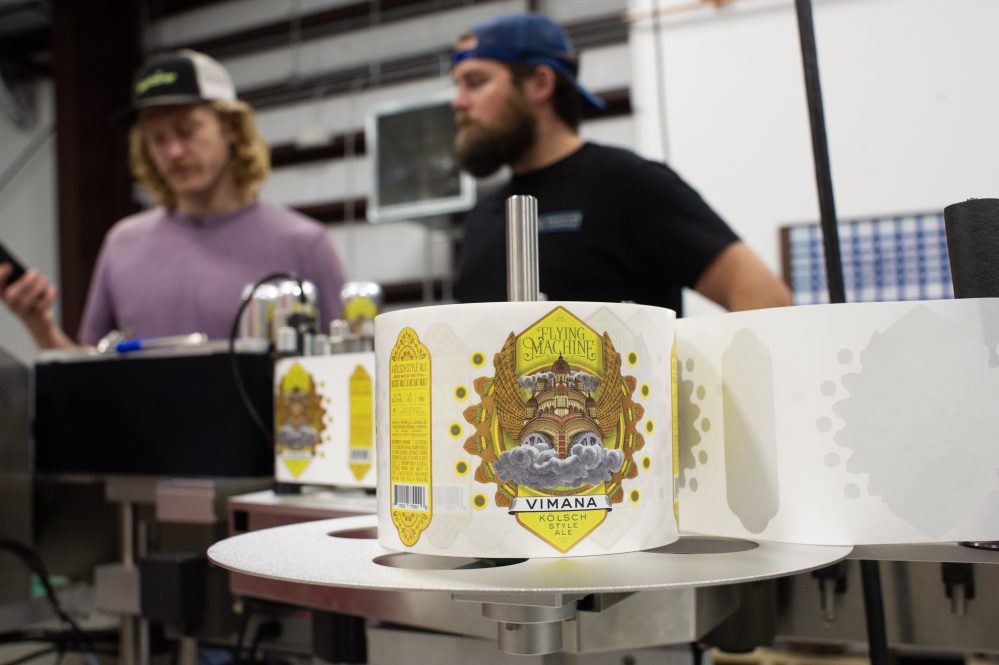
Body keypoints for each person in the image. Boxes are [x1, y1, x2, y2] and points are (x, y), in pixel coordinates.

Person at [0, 49, 346, 349]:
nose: (174, 152)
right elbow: (89, 376)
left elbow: (347, 367)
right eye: (157, 138)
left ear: (230, 128)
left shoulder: (304, 245)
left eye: (186, 130)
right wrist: (39, 326)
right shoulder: (122, 245)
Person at [450, 13, 791, 313]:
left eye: (476, 82)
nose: (459, 102)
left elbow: (764, 297)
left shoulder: (629, 185)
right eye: (457, 85)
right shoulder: (484, 214)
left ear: (540, 83)